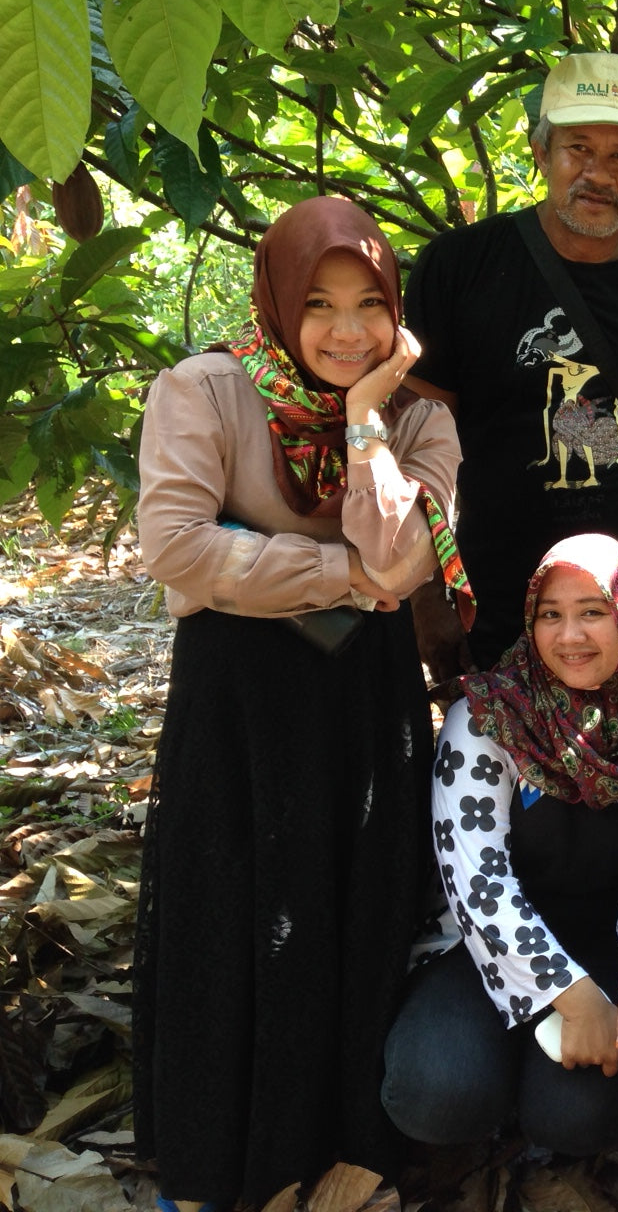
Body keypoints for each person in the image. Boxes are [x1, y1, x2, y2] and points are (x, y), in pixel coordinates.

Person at [133, 196, 465, 1210]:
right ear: (276, 299)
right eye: (317, 303)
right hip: (238, 705)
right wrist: (336, 574)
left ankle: (345, 1145)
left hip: (361, 707)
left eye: (370, 303)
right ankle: (225, 1156)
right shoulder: (205, 392)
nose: (346, 329)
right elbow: (176, 548)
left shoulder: (422, 418)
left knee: (354, 907)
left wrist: (366, 420)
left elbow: (401, 562)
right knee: (231, 912)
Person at [405, 51, 618, 679]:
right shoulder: (460, 269)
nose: (598, 174)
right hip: (503, 609)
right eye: (578, 149)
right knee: (504, 776)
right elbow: (418, 443)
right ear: (541, 152)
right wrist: (427, 594)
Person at [380, 534, 618, 1157]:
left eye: (593, 612)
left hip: (609, 939)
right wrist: (567, 995)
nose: (570, 635)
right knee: (435, 1091)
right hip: (478, 946)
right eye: (552, 614)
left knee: (576, 1119)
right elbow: (478, 881)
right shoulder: (487, 716)